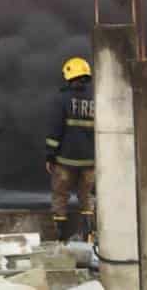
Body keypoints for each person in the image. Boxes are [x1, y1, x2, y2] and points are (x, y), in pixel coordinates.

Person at [45, 56, 95, 242]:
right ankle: (89, 237)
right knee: (87, 197)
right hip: (90, 161)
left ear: (69, 76)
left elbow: (55, 130)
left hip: (64, 161)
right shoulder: (96, 99)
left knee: (60, 196)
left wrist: (50, 156)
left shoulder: (61, 99)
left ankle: (60, 239)